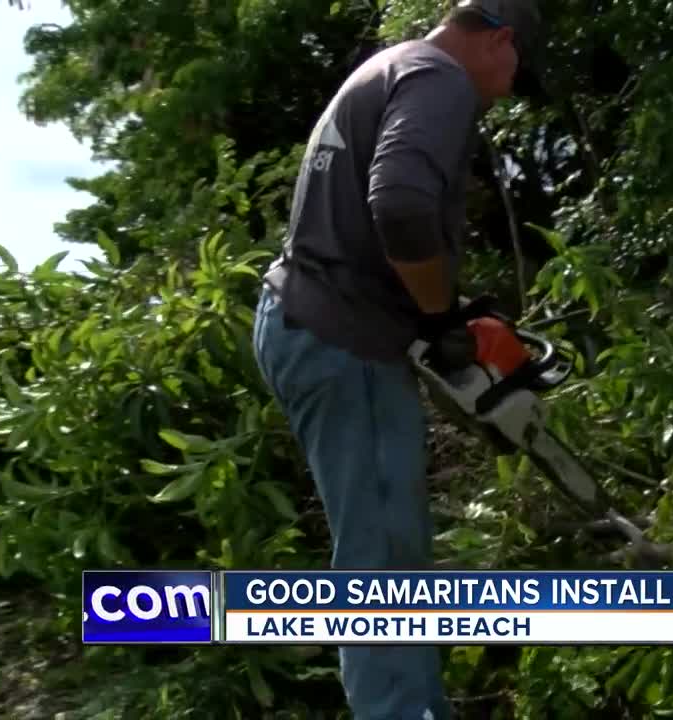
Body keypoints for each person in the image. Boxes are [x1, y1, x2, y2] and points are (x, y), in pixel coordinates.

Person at [251, 2, 544, 718]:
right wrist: (441, 318)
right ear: (499, 41)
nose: (508, 87)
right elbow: (403, 206)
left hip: (307, 319)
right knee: (385, 565)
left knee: (378, 549)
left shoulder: (388, 67)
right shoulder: (438, 76)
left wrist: (447, 311)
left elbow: (372, 224)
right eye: (516, 70)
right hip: (341, 336)